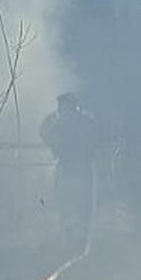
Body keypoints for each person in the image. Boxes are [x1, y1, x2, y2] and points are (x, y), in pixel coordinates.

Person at [40, 93, 99, 251]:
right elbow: (44, 132)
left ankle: (80, 242)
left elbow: (95, 141)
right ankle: (71, 241)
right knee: (66, 205)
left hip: (80, 168)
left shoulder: (84, 122)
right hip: (67, 167)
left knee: (81, 206)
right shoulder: (57, 121)